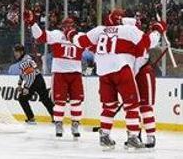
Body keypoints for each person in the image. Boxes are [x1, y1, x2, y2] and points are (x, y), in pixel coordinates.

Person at [66, 8, 164, 150]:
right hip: (121, 69)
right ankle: (133, 137)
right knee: (132, 105)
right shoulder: (128, 30)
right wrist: (157, 29)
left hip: (104, 73)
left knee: (109, 106)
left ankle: (104, 135)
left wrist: (71, 34)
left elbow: (79, 41)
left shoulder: (99, 30)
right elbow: (149, 42)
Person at [24, 10, 84, 138]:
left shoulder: (78, 36)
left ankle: (75, 124)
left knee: (76, 101)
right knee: (60, 101)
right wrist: (33, 23)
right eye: (66, 26)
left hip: (75, 73)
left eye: (70, 26)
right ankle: (59, 123)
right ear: (62, 27)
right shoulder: (58, 35)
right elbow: (40, 36)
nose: (68, 28)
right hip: (60, 73)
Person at [123, 16, 157, 148]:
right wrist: (157, 29)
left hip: (143, 72)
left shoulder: (136, 36)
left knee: (144, 106)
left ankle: (150, 135)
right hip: (130, 74)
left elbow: (152, 39)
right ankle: (134, 134)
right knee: (133, 107)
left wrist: (157, 30)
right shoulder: (136, 36)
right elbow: (153, 38)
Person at [13, 44, 54, 124]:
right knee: (45, 99)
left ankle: (31, 118)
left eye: (16, 52)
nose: (15, 54)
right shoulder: (25, 59)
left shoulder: (25, 61)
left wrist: (26, 88)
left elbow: (30, 76)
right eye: (14, 52)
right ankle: (55, 117)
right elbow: (23, 74)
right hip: (39, 78)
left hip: (34, 80)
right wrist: (19, 84)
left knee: (22, 99)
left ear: (21, 52)